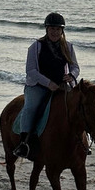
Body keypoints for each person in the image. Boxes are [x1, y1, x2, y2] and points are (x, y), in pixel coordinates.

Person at [13, 12, 80, 158]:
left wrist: (71, 75)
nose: (55, 32)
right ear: (46, 29)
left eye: (58, 29)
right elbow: (30, 70)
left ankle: (80, 141)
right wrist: (48, 83)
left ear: (62, 31)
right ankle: (24, 143)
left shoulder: (68, 47)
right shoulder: (36, 47)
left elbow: (75, 67)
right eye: (52, 29)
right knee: (31, 108)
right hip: (37, 86)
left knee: (77, 107)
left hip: (61, 85)